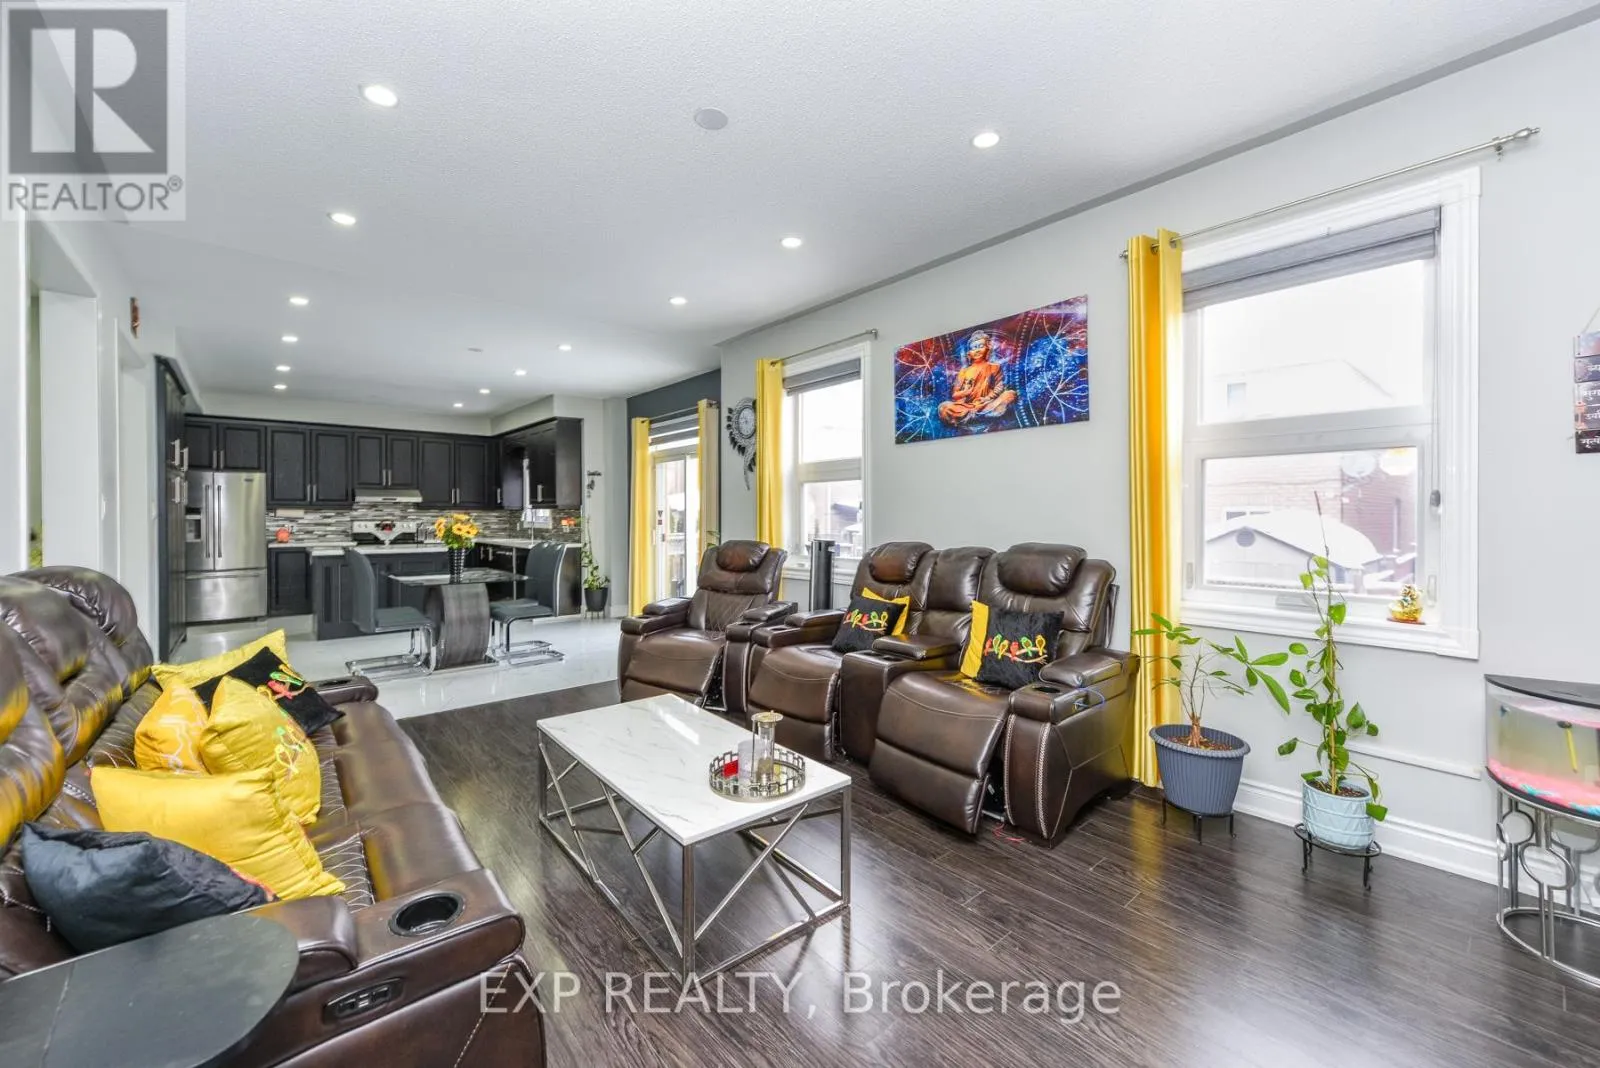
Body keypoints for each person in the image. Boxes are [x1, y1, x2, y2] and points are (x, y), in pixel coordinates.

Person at [937, 331, 1016, 426]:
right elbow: (955, 395)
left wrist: (987, 398)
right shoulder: (964, 371)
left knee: (1010, 394)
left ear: (988, 348)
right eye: (974, 348)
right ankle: (979, 415)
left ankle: (976, 415)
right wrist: (965, 392)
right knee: (944, 407)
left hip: (986, 403)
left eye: (980, 346)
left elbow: (999, 386)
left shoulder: (994, 367)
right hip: (967, 405)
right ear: (969, 353)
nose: (977, 350)